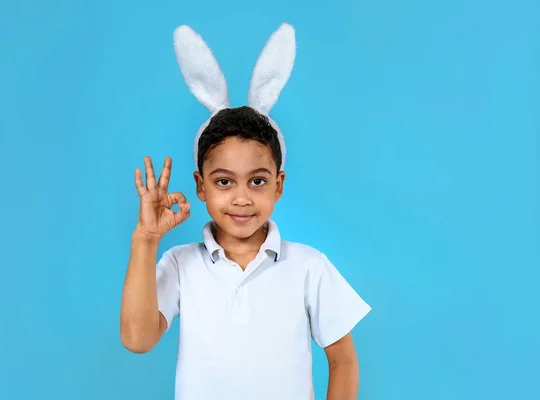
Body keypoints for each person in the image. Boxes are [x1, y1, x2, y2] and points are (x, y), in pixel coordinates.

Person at [120, 23, 371, 400]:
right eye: (224, 181)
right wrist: (146, 239)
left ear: (278, 185)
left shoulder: (308, 266)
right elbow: (138, 339)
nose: (241, 198)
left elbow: (343, 360)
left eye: (256, 181)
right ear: (200, 185)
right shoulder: (179, 264)